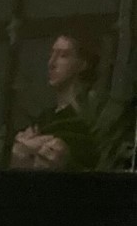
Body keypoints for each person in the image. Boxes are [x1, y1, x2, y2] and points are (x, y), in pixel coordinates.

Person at [10, 33, 104, 171]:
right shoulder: (45, 117)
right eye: (51, 55)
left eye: (63, 56)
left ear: (82, 64)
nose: (51, 63)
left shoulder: (86, 118)